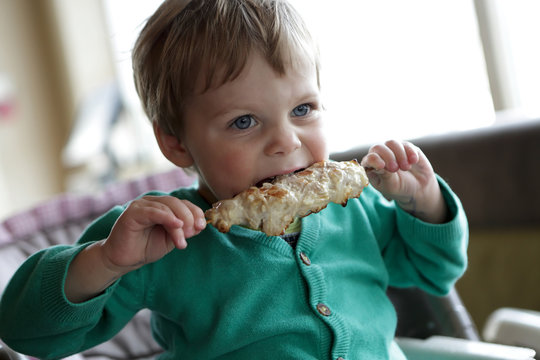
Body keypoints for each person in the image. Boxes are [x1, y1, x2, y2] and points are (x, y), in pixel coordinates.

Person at [0, 0, 468, 359]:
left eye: (302, 109)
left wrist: (423, 203)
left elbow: (435, 268)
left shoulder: (360, 211)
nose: (285, 141)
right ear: (177, 143)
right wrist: (105, 261)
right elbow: (27, 331)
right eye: (244, 121)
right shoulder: (160, 238)